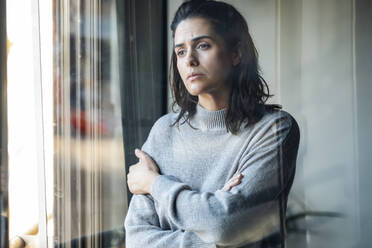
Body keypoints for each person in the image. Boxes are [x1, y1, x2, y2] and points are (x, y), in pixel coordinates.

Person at [124, 0, 300, 247]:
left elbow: (223, 225)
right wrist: (215, 222)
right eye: (181, 51)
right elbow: (136, 238)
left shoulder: (273, 129)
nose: (189, 60)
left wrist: (154, 184)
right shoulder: (164, 131)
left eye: (203, 45)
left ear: (236, 53)